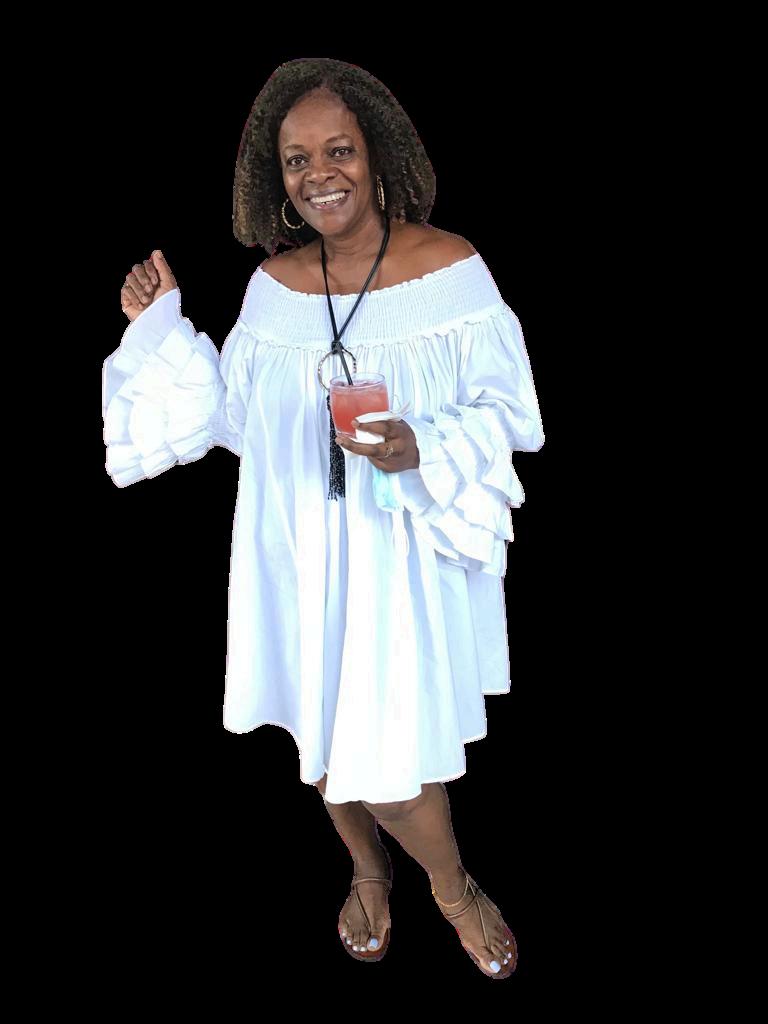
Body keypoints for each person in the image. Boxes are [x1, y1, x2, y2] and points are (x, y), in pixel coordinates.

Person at [102, 59, 544, 979]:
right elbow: (234, 418)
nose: (319, 174)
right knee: (321, 741)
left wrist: (420, 445)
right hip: (298, 550)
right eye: (297, 159)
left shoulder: (450, 269)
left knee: (389, 758)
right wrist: (160, 329)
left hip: (397, 554)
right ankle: (368, 872)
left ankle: (452, 889)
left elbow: (512, 414)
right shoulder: (274, 285)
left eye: (338, 150)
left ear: (376, 156)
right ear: (277, 177)